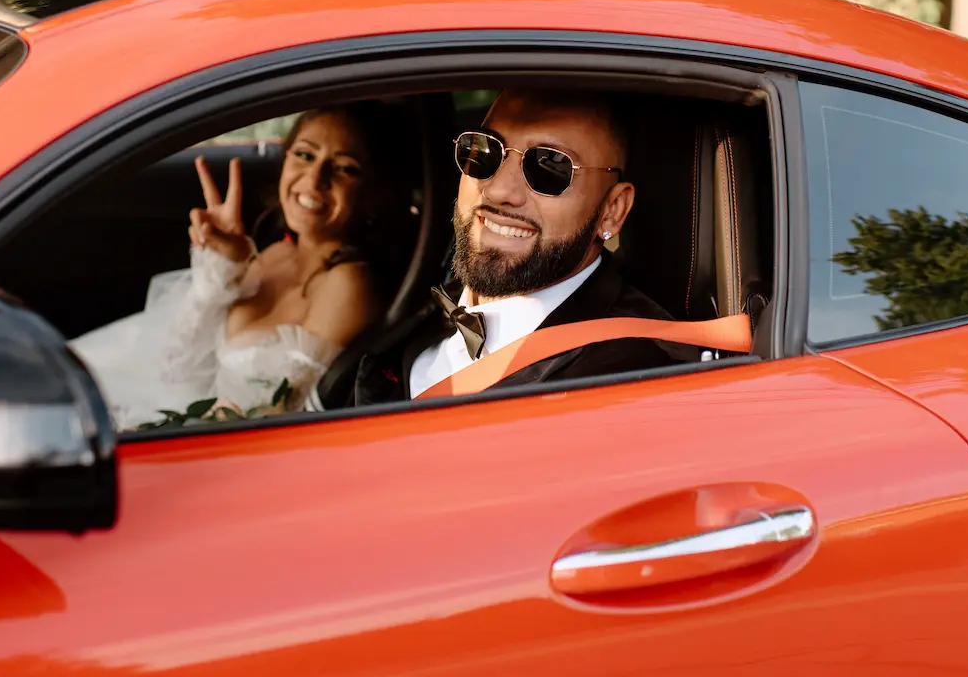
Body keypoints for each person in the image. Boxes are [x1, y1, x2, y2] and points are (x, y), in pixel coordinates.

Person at [341, 89, 686, 407]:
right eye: (485, 150)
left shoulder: (632, 382)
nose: (498, 190)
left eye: (549, 165)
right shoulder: (423, 312)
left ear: (612, 210)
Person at [71, 103, 405, 429]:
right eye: (304, 154)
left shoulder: (351, 283)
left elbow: (280, 414)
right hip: (174, 404)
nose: (315, 178)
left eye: (345, 168)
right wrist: (221, 266)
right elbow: (179, 363)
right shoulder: (276, 252)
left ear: (373, 193)